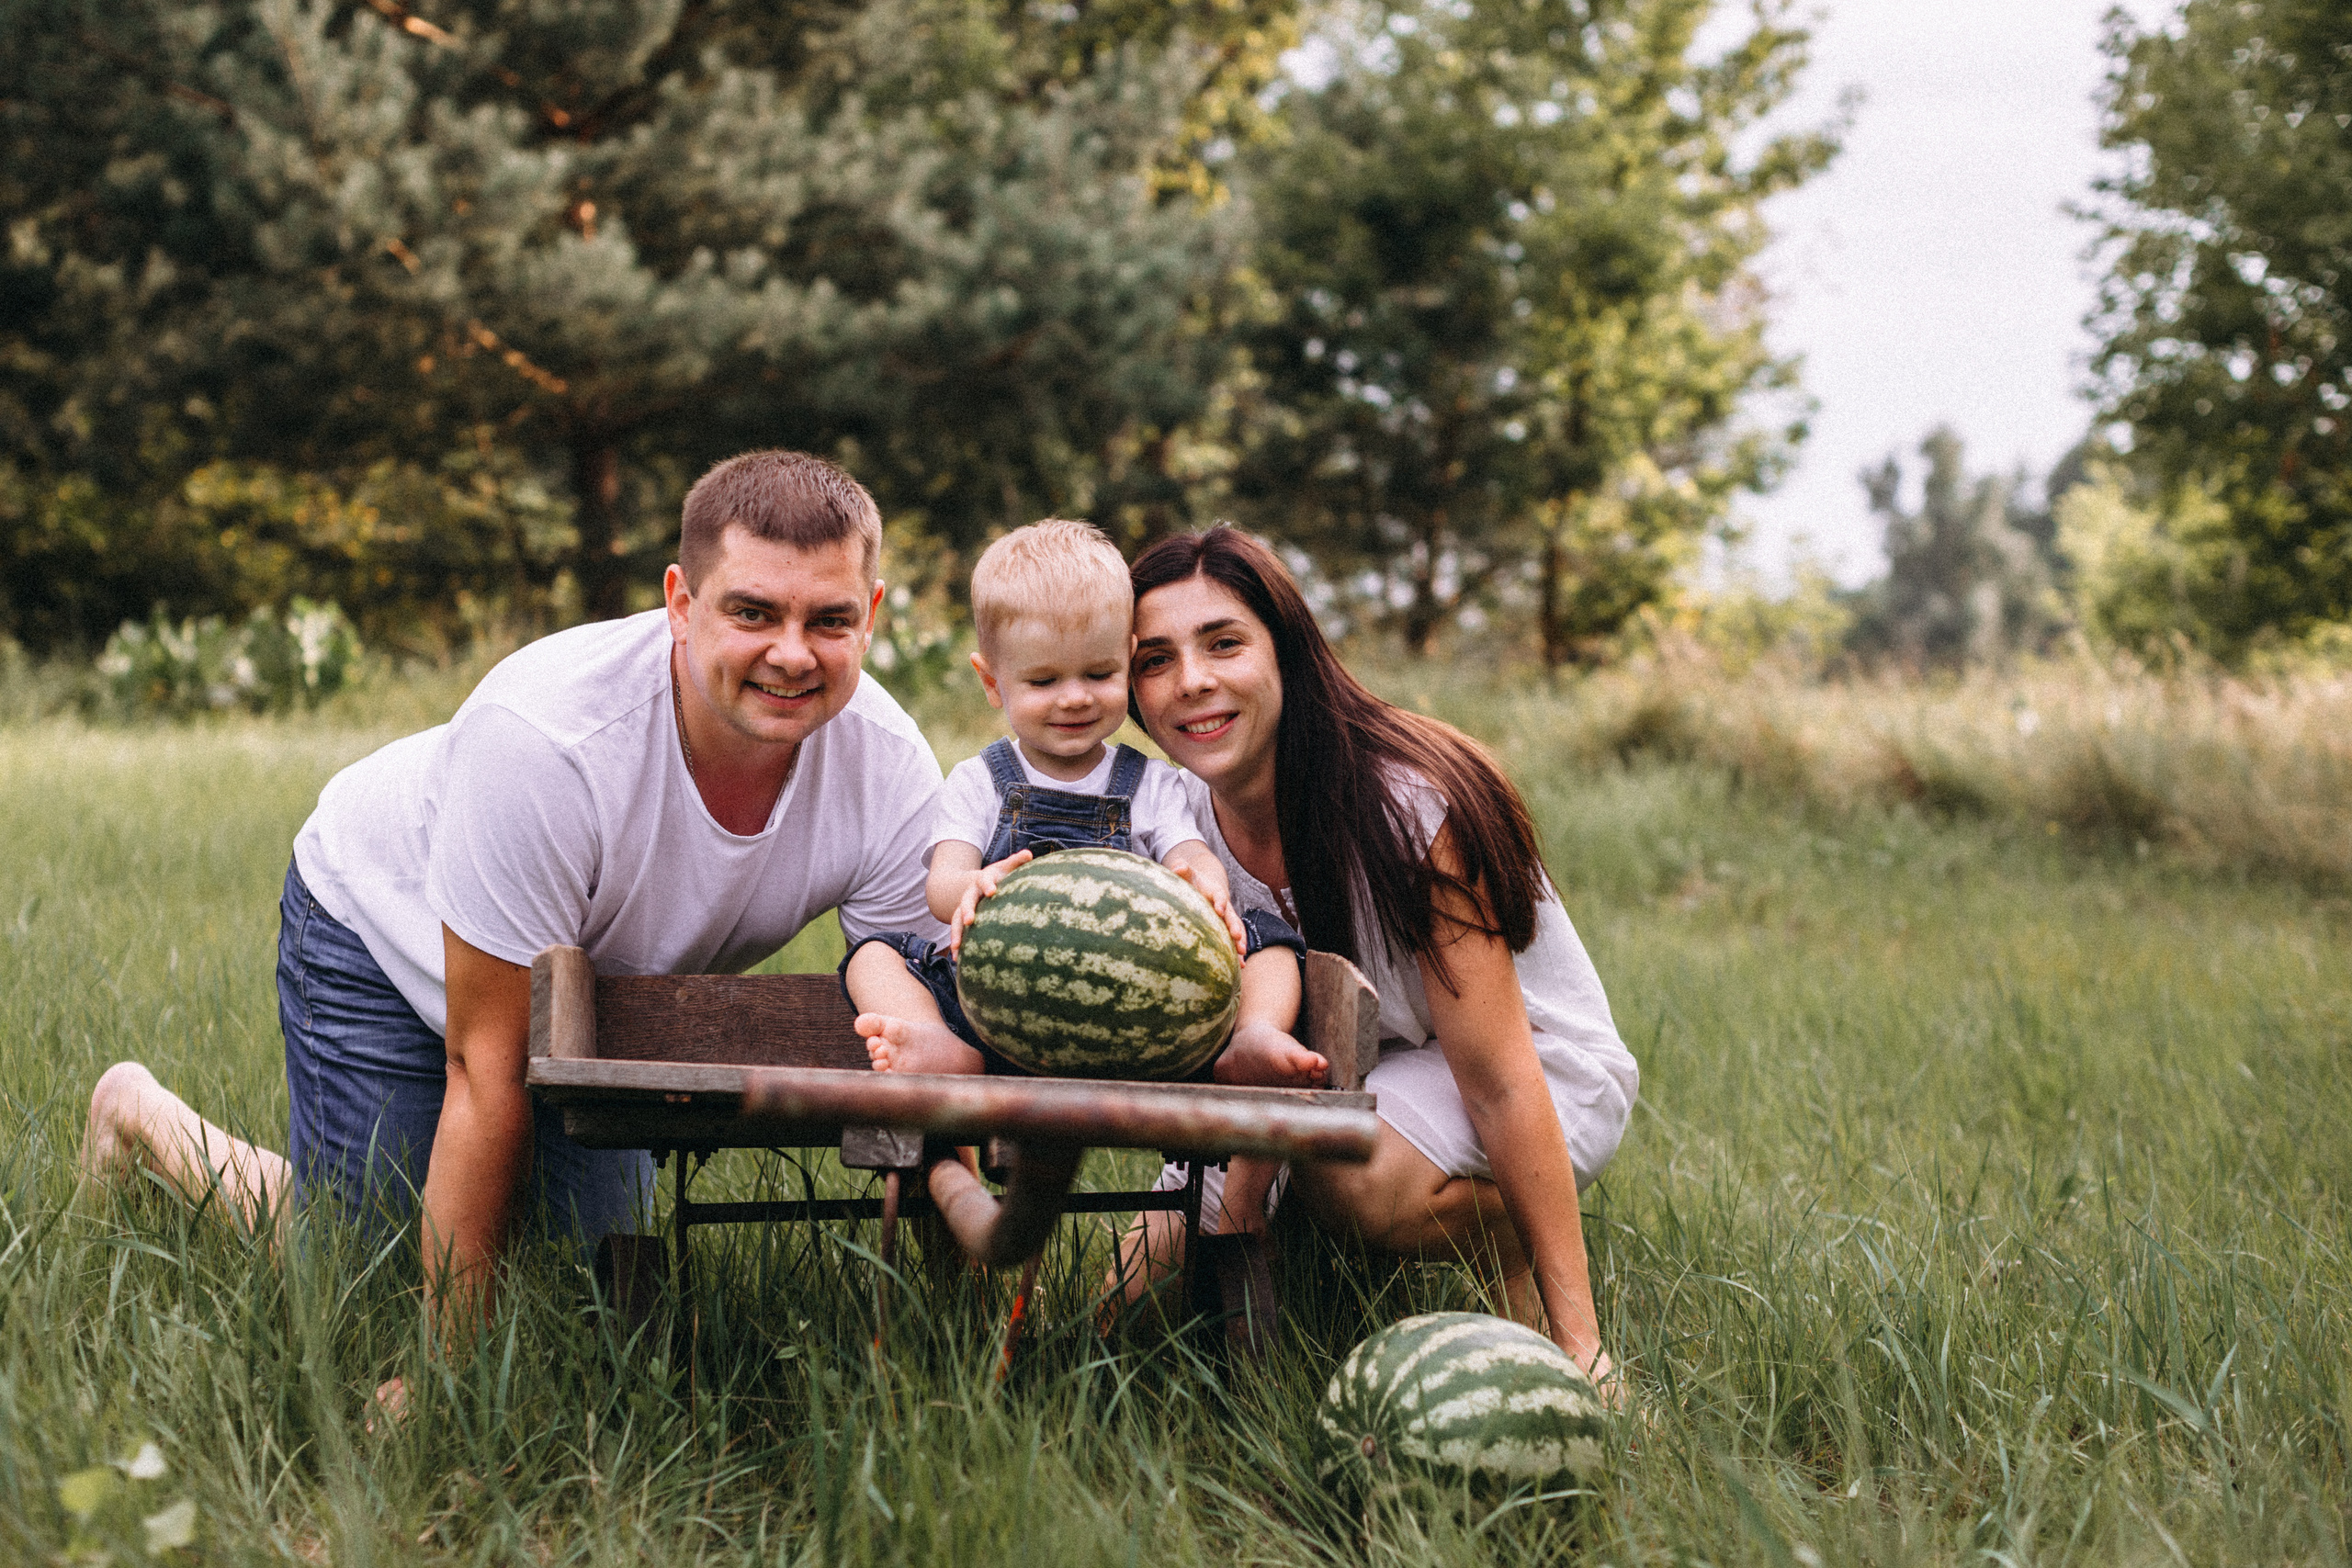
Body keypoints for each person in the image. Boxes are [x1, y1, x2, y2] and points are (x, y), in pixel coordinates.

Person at [81, 448, 969, 1409]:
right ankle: (139, 1114)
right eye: (752, 611)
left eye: (828, 620)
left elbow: (903, 1030)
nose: (792, 653)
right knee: (370, 1266)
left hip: (603, 984)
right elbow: (488, 1068)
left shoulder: (886, 769)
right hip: (387, 926)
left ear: (871, 615)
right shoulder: (550, 742)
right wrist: (442, 1375)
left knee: (576, 1286)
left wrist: (953, 1326)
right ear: (681, 602)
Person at [1111, 526, 1638, 1384]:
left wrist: (1585, 1345)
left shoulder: (1408, 804)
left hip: (1534, 1066)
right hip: (1335, 1074)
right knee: (1132, 1298)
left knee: (1347, 1174)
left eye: (1223, 643)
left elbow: (1500, 1079)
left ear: (1287, 649)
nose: (1192, 681)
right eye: (1155, 659)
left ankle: (1518, 1251)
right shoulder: (1174, 826)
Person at [851, 521, 1321, 1231]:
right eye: (1043, 680)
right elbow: (942, 881)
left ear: (1128, 662)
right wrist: (969, 887)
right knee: (875, 954)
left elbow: (1188, 851)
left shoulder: (1148, 784)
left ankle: (1250, 1033)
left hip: (1141, 1007)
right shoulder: (981, 780)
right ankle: (941, 1044)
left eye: (1098, 675)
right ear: (991, 681)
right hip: (995, 1004)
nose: (1074, 698)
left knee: (1273, 940)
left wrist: (1204, 882)